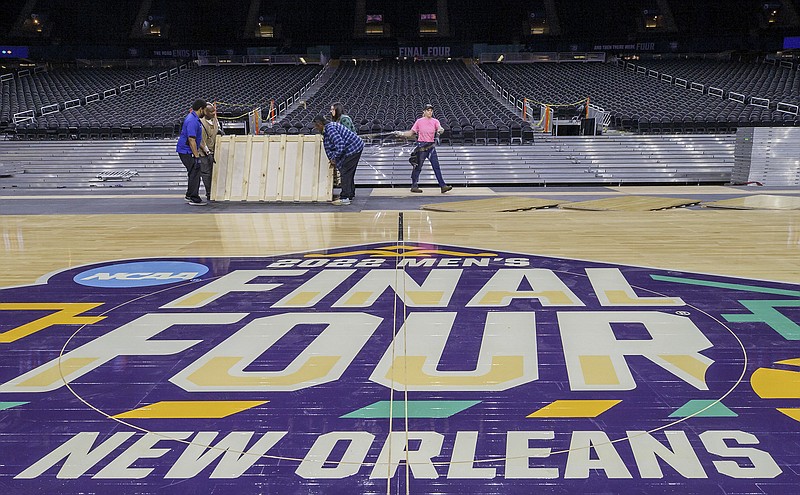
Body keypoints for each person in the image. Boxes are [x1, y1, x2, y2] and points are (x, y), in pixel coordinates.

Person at [395, 104, 453, 193]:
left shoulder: (435, 121)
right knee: (418, 167)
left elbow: (439, 128)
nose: (430, 112)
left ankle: (443, 186)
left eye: (431, 110)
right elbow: (411, 133)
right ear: (424, 112)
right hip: (421, 146)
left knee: (436, 167)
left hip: (431, 146)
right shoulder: (419, 121)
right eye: (428, 110)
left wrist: (441, 130)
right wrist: (401, 133)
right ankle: (414, 186)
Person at [312, 115, 363, 206]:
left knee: (345, 171)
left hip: (353, 148)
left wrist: (334, 158)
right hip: (356, 146)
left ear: (319, 124)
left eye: (316, 126)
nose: (315, 128)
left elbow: (340, 145)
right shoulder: (329, 128)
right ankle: (350, 194)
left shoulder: (330, 130)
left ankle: (345, 198)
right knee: (349, 172)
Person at [176, 99, 206, 205]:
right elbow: (191, 139)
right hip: (186, 151)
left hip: (186, 150)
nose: (205, 112)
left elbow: (197, 138)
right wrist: (197, 156)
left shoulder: (194, 118)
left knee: (193, 172)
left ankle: (189, 195)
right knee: (195, 172)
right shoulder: (192, 120)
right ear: (201, 109)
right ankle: (194, 198)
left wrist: (204, 148)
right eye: (205, 110)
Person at [199, 103, 224, 201]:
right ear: (205, 112)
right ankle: (209, 193)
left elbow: (217, 128)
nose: (214, 113)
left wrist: (220, 131)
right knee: (206, 173)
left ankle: (216, 191)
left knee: (216, 172)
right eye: (211, 112)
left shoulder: (214, 119)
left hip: (214, 150)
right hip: (203, 152)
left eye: (214, 111)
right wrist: (208, 153)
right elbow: (201, 141)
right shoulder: (201, 123)